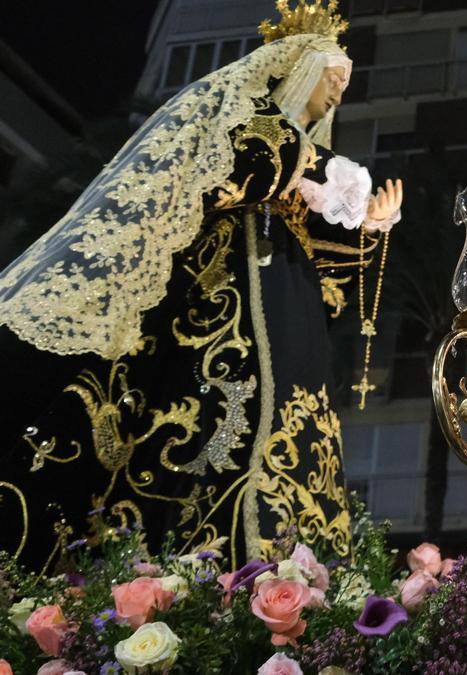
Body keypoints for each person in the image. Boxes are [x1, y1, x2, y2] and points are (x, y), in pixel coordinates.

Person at [0, 6, 401, 572]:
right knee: (210, 438)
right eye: (332, 78)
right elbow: (234, 167)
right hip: (216, 309)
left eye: (345, 85)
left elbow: (329, 273)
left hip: (289, 322)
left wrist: (368, 225)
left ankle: (303, 583)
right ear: (298, 70)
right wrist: (312, 165)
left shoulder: (312, 167)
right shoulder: (240, 115)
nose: (338, 93)